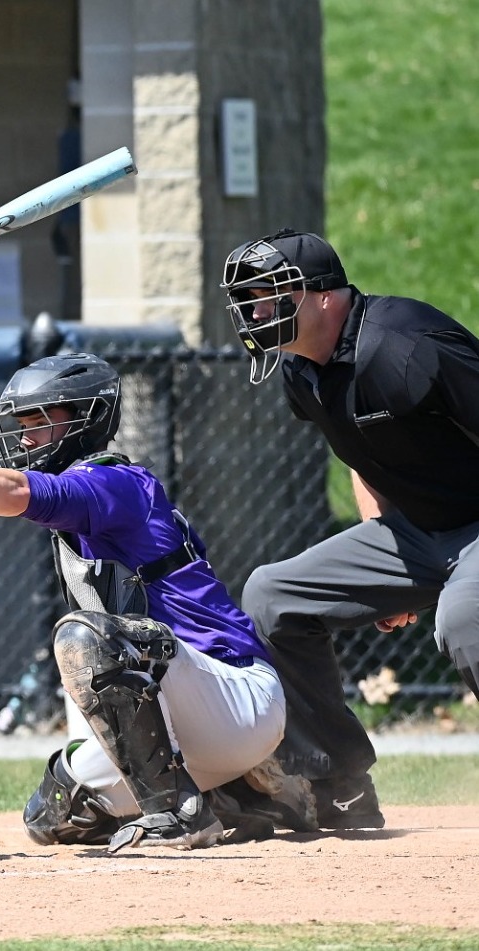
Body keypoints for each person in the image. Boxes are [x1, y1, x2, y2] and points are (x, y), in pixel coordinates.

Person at [0, 353, 285, 851]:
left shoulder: (117, 483)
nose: (25, 437)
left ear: (88, 419)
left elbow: (18, 491)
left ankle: (179, 812)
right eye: (22, 424)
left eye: (39, 421)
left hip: (233, 694)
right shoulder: (88, 496)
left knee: (88, 637)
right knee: (52, 816)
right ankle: (235, 794)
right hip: (191, 723)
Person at [218, 228, 479, 831]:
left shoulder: (404, 345)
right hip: (417, 531)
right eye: (248, 299)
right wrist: (384, 557)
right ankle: (334, 782)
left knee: (465, 619)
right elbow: (362, 451)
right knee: (271, 596)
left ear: (325, 297)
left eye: (268, 295)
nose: (255, 313)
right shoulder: (300, 369)